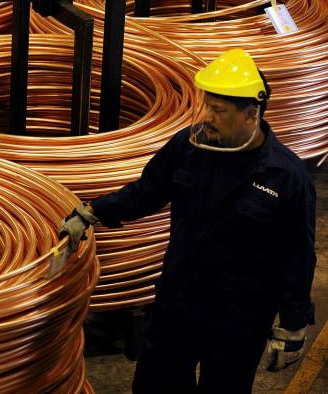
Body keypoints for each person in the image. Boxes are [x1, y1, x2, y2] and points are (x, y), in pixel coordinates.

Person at [60, 48, 316, 392]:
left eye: (218, 110)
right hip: (177, 302)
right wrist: (94, 211)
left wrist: (294, 326)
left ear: (250, 115)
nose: (207, 116)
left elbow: (297, 256)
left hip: (238, 318)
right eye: (206, 105)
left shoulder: (286, 177)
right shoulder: (189, 146)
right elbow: (147, 191)